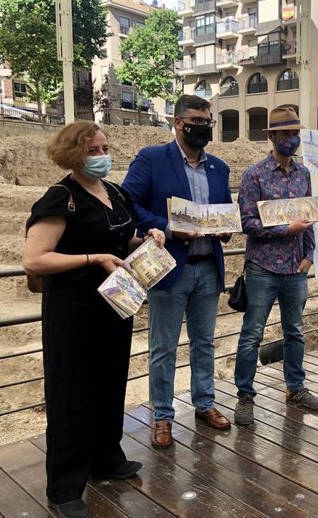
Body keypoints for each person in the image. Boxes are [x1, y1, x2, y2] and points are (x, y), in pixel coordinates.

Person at [23, 122, 165, 518]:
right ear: (74, 155)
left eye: (105, 146)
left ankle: (107, 459)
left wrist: (147, 239)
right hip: (73, 313)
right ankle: (65, 487)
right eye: (94, 150)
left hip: (113, 308)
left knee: (108, 383)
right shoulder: (60, 198)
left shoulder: (114, 192)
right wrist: (93, 259)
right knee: (71, 396)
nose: (104, 154)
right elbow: (35, 258)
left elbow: (120, 241)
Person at [122, 95, 232, 450]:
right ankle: (163, 416)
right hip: (170, 269)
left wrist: (226, 225)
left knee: (204, 343)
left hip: (208, 269)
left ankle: (204, 404)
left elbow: (223, 209)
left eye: (207, 121)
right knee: (163, 347)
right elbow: (127, 203)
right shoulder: (152, 159)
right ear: (178, 122)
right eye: (196, 120)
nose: (203, 127)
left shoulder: (219, 168)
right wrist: (167, 228)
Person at [234, 106, 318, 425]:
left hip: (295, 269)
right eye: (285, 134)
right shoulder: (254, 175)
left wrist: (309, 255)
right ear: (271, 136)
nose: (291, 139)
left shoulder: (304, 175)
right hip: (262, 267)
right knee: (252, 333)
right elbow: (246, 222)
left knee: (295, 331)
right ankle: (245, 394)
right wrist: (286, 230)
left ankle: (295, 387)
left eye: (295, 134)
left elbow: (310, 219)